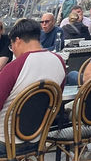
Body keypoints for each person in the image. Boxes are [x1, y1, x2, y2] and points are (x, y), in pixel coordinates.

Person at [0, 19, 66, 150]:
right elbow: (57, 100)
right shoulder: (60, 62)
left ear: (17, 41)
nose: (12, 50)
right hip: (37, 138)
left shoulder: (14, 67)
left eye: (11, 46)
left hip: (5, 141)